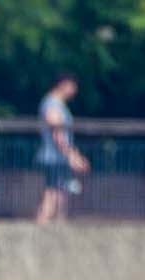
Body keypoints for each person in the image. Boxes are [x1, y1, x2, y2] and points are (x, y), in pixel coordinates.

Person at [36, 73, 88, 224]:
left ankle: (55, 229)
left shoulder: (56, 104)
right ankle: (41, 228)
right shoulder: (52, 104)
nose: (75, 90)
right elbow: (58, 133)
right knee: (52, 195)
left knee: (59, 195)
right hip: (54, 157)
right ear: (62, 84)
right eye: (72, 85)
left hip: (59, 157)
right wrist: (72, 156)